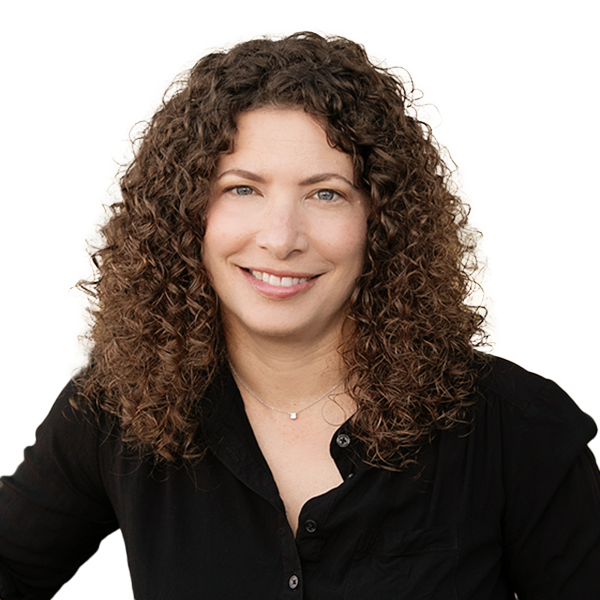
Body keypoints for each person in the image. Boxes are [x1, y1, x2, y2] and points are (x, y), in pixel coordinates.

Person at [1, 30, 599, 600]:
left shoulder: (518, 428)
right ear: (188, 214)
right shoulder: (116, 406)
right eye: (242, 188)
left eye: (325, 193)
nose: (281, 238)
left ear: (381, 223)